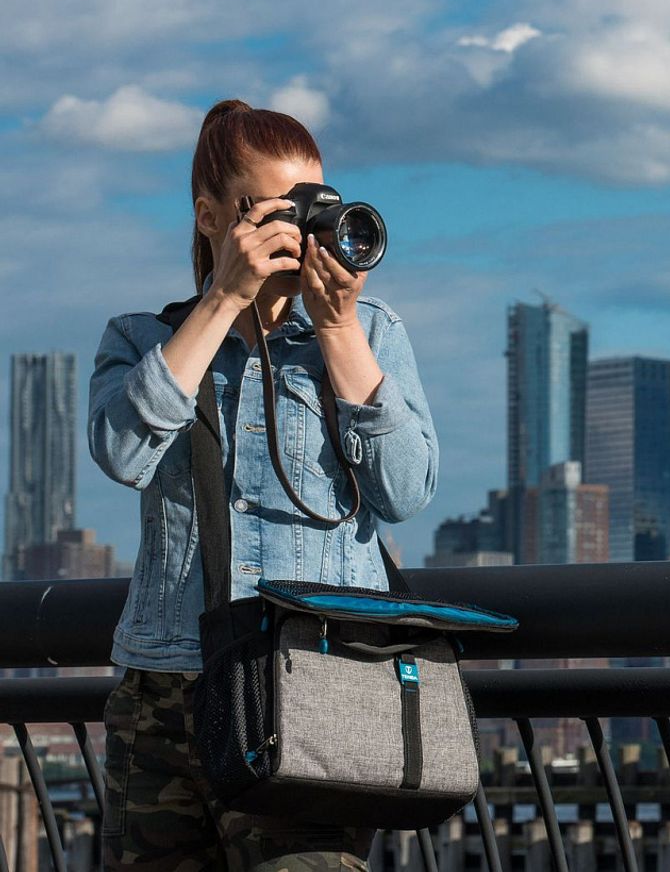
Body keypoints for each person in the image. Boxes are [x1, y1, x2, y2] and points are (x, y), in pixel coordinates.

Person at [89, 99, 438, 871]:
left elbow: (407, 490)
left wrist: (339, 328)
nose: (300, 231)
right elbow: (121, 451)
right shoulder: (143, 339)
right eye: (278, 212)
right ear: (212, 216)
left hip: (308, 683)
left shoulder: (371, 330)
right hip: (165, 687)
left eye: (314, 207)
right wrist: (223, 300)